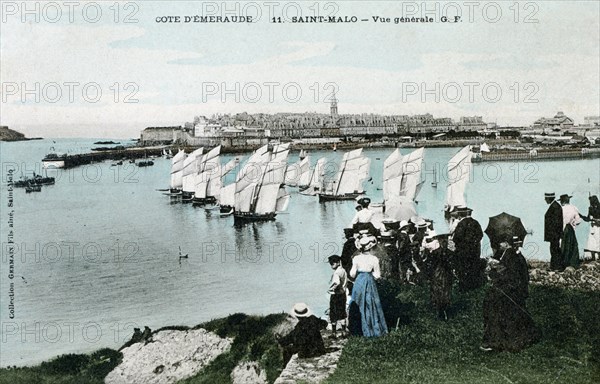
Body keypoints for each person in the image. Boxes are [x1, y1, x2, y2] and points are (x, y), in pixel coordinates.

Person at [482, 237, 539, 352]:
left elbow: (508, 276)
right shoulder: (515, 255)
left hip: (511, 293)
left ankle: (495, 341)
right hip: (516, 292)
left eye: (501, 242)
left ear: (506, 244)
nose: (499, 244)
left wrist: (493, 271)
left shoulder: (510, 255)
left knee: (493, 305)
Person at [348, 235, 388, 337]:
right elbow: (378, 275)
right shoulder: (374, 258)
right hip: (369, 281)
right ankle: (373, 328)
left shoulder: (356, 258)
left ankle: (359, 329)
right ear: (370, 247)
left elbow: (352, 274)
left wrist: (359, 273)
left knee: (358, 303)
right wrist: (370, 275)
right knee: (371, 304)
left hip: (359, 281)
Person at [452, 207, 484, 291]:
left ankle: (464, 288)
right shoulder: (476, 223)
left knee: (463, 270)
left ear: (460, 214)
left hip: (463, 252)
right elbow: (480, 235)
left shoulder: (461, 224)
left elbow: (456, 238)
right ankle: (474, 288)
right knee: (473, 269)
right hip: (475, 252)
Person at [429, 234, 453, 320]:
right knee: (438, 292)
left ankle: (446, 311)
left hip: (446, 275)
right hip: (438, 275)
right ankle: (440, 312)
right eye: (442, 239)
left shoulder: (450, 253)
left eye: (445, 239)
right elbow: (432, 265)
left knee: (446, 292)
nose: (444, 241)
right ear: (439, 241)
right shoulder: (435, 253)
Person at [327, 255, 348, 338]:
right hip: (343, 294)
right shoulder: (343, 271)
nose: (331, 265)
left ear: (338, 262)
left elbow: (337, 282)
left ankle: (334, 333)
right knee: (342, 312)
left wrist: (332, 289)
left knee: (333, 314)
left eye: (332, 263)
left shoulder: (336, 273)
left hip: (336, 295)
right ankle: (344, 332)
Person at [560, 194, 582, 268]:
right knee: (573, 245)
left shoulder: (561, 208)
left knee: (563, 245)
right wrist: (573, 223)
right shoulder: (574, 208)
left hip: (562, 228)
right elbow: (578, 220)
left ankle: (563, 263)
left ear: (562, 201)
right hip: (570, 228)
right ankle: (573, 263)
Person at [544, 192, 564, 270]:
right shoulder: (555, 205)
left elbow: (556, 222)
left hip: (554, 233)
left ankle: (557, 267)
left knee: (554, 249)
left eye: (546, 198)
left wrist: (553, 233)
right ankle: (555, 266)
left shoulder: (555, 206)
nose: (545, 200)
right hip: (554, 233)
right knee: (554, 249)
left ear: (549, 198)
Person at [581, 195, 600, 260]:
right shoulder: (590, 208)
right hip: (592, 227)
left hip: (598, 227)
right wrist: (582, 216)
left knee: (598, 241)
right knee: (591, 242)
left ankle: (598, 257)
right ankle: (593, 257)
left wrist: (595, 220)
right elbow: (588, 218)